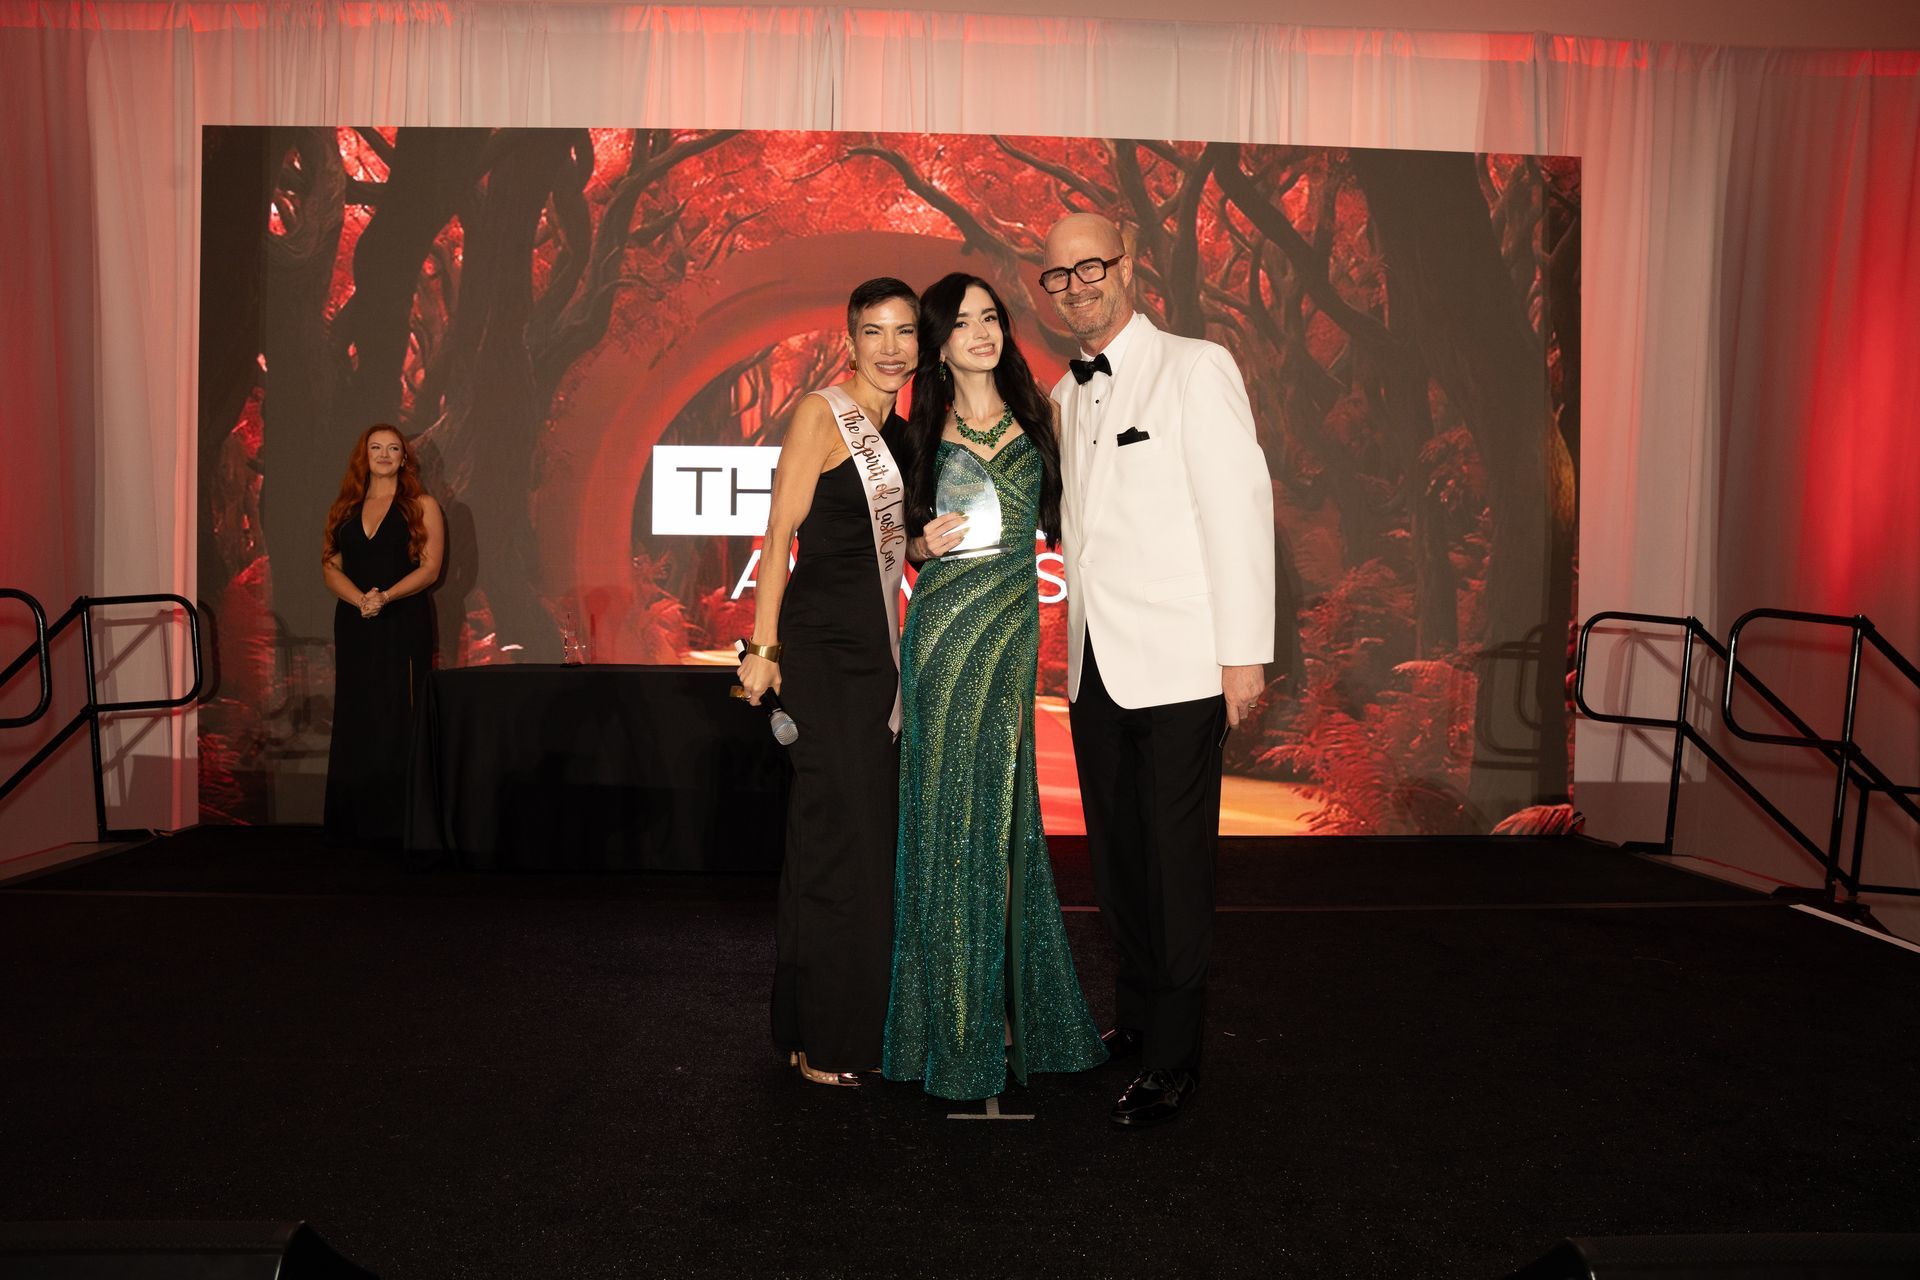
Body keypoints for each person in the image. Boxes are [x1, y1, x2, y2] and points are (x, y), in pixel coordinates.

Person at [1042, 213, 1275, 1128]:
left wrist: (1242, 656)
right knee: (1120, 863)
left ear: (1128, 266)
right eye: (1058, 276)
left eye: (1091, 266)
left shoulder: (1196, 366)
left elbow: (1239, 510)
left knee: (1176, 871)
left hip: (1182, 665)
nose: (1077, 286)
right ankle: (1137, 1019)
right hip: (1096, 665)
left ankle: (1176, 1059)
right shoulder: (1064, 395)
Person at [881, 273, 1108, 1101]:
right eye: (963, 321)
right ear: (936, 342)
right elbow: (892, 540)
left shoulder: (1044, 417)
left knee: (1004, 821)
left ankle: (1011, 1015)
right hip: (940, 637)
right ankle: (948, 1023)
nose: (981, 332)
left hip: (1012, 635)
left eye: (992, 317)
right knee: (943, 818)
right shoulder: (913, 432)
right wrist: (915, 546)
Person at [737, 278, 918, 1088]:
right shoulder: (822, 414)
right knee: (829, 835)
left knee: (866, 835)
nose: (891, 348)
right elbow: (778, 537)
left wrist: (926, 544)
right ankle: (818, 1033)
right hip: (818, 650)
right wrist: (764, 646)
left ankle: (849, 1023)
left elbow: (893, 548)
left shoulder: (903, 435)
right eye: (875, 332)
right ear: (851, 338)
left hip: (878, 655)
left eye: (905, 333)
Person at [321, 423, 444, 846]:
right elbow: (330, 567)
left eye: (393, 448)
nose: (385, 455)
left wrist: (385, 597)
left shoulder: (421, 504)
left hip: (404, 618)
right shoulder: (346, 507)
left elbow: (430, 568)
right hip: (356, 621)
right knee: (359, 709)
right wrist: (360, 600)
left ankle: (402, 823)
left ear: (404, 457)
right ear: (364, 455)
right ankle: (355, 823)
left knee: (400, 710)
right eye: (376, 448)